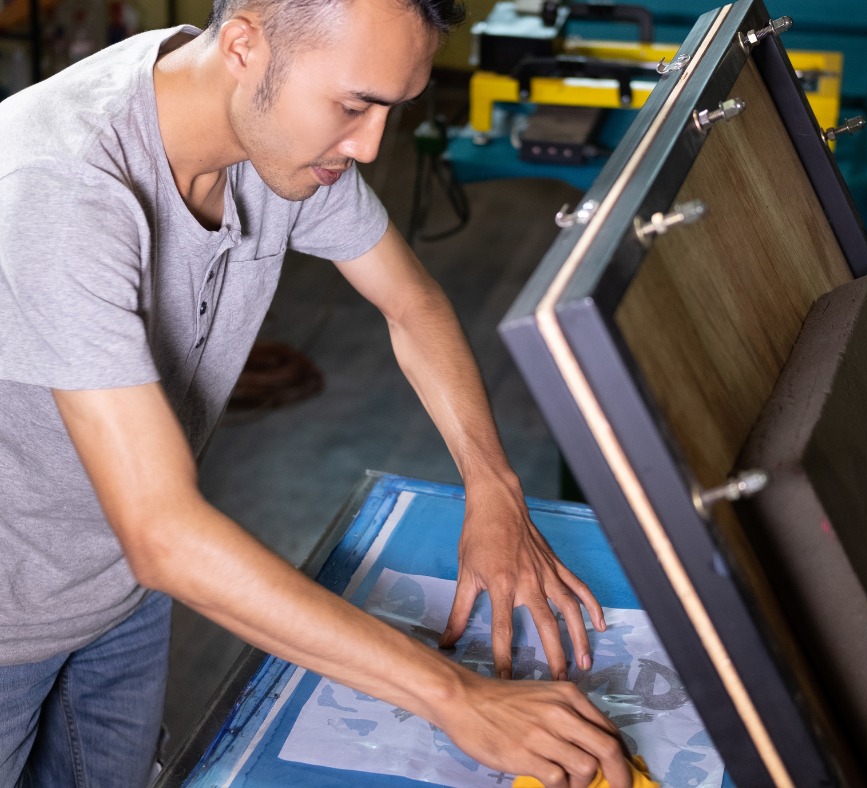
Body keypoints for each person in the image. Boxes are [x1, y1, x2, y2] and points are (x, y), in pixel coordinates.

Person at [0, 0, 632, 785]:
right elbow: (163, 532)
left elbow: (412, 303)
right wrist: (456, 696)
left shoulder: (282, 142)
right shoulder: (61, 187)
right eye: (354, 104)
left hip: (120, 596)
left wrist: (493, 486)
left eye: (388, 111)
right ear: (242, 46)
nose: (366, 146)